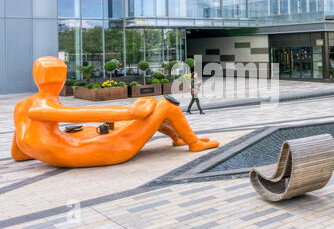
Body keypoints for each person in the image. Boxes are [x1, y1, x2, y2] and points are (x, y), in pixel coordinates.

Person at [11, 57, 219, 168]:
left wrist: (39, 149)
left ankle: (177, 138)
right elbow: (81, 114)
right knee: (166, 106)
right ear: (63, 79)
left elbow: (18, 154)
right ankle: (194, 143)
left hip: (70, 147)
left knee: (149, 111)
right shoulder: (42, 107)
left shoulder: (22, 105)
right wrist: (131, 112)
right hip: (90, 152)